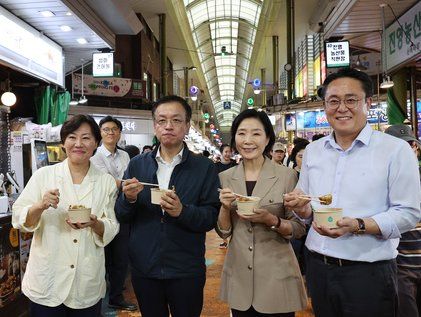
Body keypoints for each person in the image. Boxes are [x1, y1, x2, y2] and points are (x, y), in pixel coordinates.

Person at [284, 68, 421, 317]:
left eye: (351, 100)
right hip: (318, 267)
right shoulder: (314, 151)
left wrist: (358, 224)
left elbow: (408, 213)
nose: (341, 108)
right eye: (333, 101)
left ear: (367, 102)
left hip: (369, 273)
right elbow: (306, 209)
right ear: (324, 105)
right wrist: (300, 206)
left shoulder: (395, 150)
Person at [115, 95, 220, 317]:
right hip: (145, 268)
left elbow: (211, 217)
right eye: (162, 121)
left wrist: (182, 211)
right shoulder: (137, 165)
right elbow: (121, 214)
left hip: (186, 269)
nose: (168, 126)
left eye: (176, 120)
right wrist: (129, 199)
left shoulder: (204, 168)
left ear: (187, 126)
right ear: (155, 126)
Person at [12, 115, 120, 316]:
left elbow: (112, 226)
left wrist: (95, 224)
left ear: (96, 143)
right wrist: (40, 205)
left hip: (85, 280)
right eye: (72, 137)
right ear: (63, 143)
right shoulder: (44, 176)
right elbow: (19, 217)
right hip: (48, 279)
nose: (78, 144)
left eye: (86, 138)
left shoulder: (105, 182)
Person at [217, 109, 307, 317]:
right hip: (239, 276)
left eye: (256, 133)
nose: (248, 140)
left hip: (277, 277)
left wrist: (271, 220)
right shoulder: (226, 177)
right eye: (241, 133)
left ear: (267, 138)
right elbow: (224, 232)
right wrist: (224, 207)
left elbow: (299, 228)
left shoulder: (286, 176)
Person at [90, 116, 137, 311]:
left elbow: (124, 181)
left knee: (120, 258)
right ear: (100, 133)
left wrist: (125, 184)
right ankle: (95, 301)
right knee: (99, 257)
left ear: (119, 132)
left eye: (114, 129)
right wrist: (127, 183)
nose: (111, 132)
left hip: (122, 210)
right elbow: (107, 182)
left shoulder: (125, 156)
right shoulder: (94, 156)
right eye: (106, 129)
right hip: (100, 212)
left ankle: (116, 297)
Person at [385, 124, 421, 317]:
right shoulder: (381, 181)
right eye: (400, 147)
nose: (408, 151)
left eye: (410, 145)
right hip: (400, 266)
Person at [215, 144, 237, 249]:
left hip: (234, 194)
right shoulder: (216, 166)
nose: (228, 154)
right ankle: (224, 240)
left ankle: (234, 239)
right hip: (221, 195)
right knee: (224, 216)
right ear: (221, 153)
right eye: (226, 152)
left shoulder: (235, 165)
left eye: (230, 152)